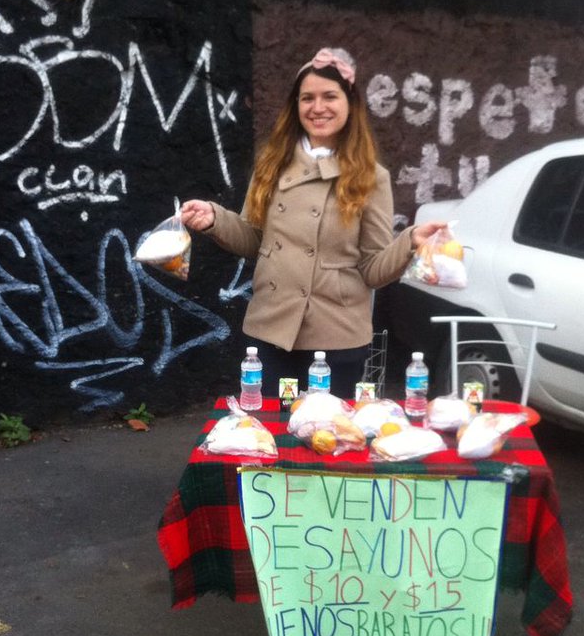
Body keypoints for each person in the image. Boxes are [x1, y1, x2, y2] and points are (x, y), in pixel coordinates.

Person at [181, 47, 447, 398]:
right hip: (270, 330)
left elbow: (373, 269)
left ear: (350, 103)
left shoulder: (371, 177)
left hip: (337, 338)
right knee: (269, 427)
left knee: (329, 430)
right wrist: (215, 219)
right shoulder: (271, 163)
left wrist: (409, 242)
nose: (317, 107)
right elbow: (254, 240)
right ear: (296, 106)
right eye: (307, 98)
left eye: (329, 96)